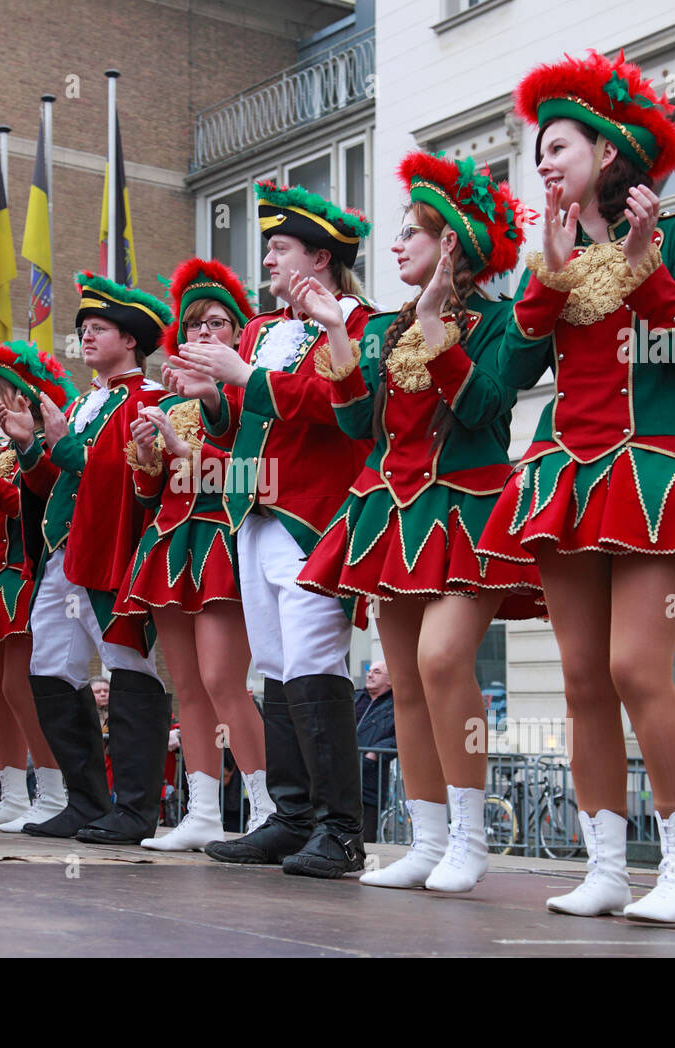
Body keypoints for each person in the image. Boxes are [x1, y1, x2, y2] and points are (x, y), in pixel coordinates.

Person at [477, 51, 675, 923]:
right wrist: (546, 276)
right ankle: (606, 864)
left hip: (661, 469)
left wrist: (644, 267)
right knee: (579, 679)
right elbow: (504, 380)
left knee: (637, 664)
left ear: (607, 153)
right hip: (566, 474)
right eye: (537, 153)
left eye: (557, 146)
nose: (542, 163)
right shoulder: (555, 252)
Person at [296, 150, 540, 892]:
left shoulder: (500, 322)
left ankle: (471, 837)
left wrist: (437, 327)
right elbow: (354, 425)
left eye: (412, 233)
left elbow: (485, 408)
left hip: (468, 506)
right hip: (391, 510)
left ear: (454, 244)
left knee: (441, 661)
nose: (396, 246)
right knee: (402, 681)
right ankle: (427, 840)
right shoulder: (386, 329)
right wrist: (338, 333)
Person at [172, 181, 376, 878]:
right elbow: (251, 424)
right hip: (256, 512)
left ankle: (343, 830)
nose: (267, 261)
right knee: (279, 668)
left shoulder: (354, 321)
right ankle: (292, 817)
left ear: (319, 257)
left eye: (279, 248)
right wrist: (216, 402)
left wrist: (243, 377)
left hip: (317, 515)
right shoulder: (261, 332)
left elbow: (336, 409)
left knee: (317, 664)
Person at [0, 273, 172, 845]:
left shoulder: (148, 398)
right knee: (48, 669)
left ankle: (136, 809)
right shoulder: (81, 402)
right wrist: (29, 446)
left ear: (131, 339)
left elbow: (132, 475)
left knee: (128, 668)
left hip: (110, 555)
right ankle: (86, 801)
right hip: (62, 558)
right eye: (83, 330)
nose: (86, 337)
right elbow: (58, 484)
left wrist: (64, 445)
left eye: (98, 328)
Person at [122, 258, 275, 852]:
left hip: (220, 539)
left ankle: (265, 808)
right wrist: (148, 452)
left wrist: (185, 447)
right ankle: (204, 810)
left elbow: (254, 477)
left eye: (217, 322)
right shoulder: (169, 399)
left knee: (222, 680)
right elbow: (149, 489)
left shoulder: (251, 388)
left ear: (239, 333)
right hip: (168, 542)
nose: (205, 332)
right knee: (185, 684)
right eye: (194, 325)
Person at [0, 339, 77, 832]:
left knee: (18, 685)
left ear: (25, 400)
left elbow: (41, 502)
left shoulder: (43, 448)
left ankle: (51, 789)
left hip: (22, 574)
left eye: (0, 393)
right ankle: (11, 793)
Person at [355, 661, 395, 844]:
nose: (369, 675)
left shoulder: (396, 706)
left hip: (369, 783)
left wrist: (375, 753)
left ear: (390, 681)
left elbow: (402, 738)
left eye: (376, 672)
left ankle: (365, 870)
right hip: (339, 779)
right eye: (369, 671)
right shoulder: (356, 698)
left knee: (366, 837)